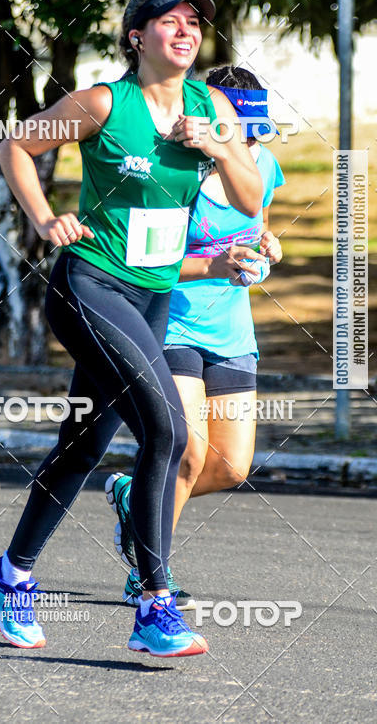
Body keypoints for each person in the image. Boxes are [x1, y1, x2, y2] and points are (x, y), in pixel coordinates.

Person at [0, 0, 263, 657]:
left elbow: (248, 198)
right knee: (168, 429)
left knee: (84, 444)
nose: (186, 32)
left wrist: (218, 145)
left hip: (153, 296)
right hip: (91, 285)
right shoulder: (106, 102)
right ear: (136, 36)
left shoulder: (208, 104)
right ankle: (154, 605)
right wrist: (45, 219)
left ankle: (8, 573)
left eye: (194, 22)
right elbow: (16, 145)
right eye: (169, 22)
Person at [105, 66, 284, 609]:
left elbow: (257, 224)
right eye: (240, 128)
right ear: (208, 120)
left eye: (257, 129)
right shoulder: (169, 173)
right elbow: (147, 261)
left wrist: (268, 248)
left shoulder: (263, 166)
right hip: (172, 323)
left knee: (230, 467)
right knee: (185, 454)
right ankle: (148, 575)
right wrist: (213, 266)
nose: (250, 140)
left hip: (231, 330)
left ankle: (136, 498)